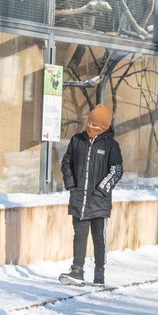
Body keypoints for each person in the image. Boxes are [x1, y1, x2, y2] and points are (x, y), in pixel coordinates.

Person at [59, 103, 123, 286]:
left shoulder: (111, 146)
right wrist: (71, 185)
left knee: (98, 238)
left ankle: (99, 272)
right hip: (79, 198)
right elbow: (66, 162)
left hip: (99, 201)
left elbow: (116, 171)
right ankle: (77, 270)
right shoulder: (77, 140)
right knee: (79, 235)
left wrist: (102, 190)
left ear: (104, 127)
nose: (90, 127)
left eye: (95, 125)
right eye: (89, 123)